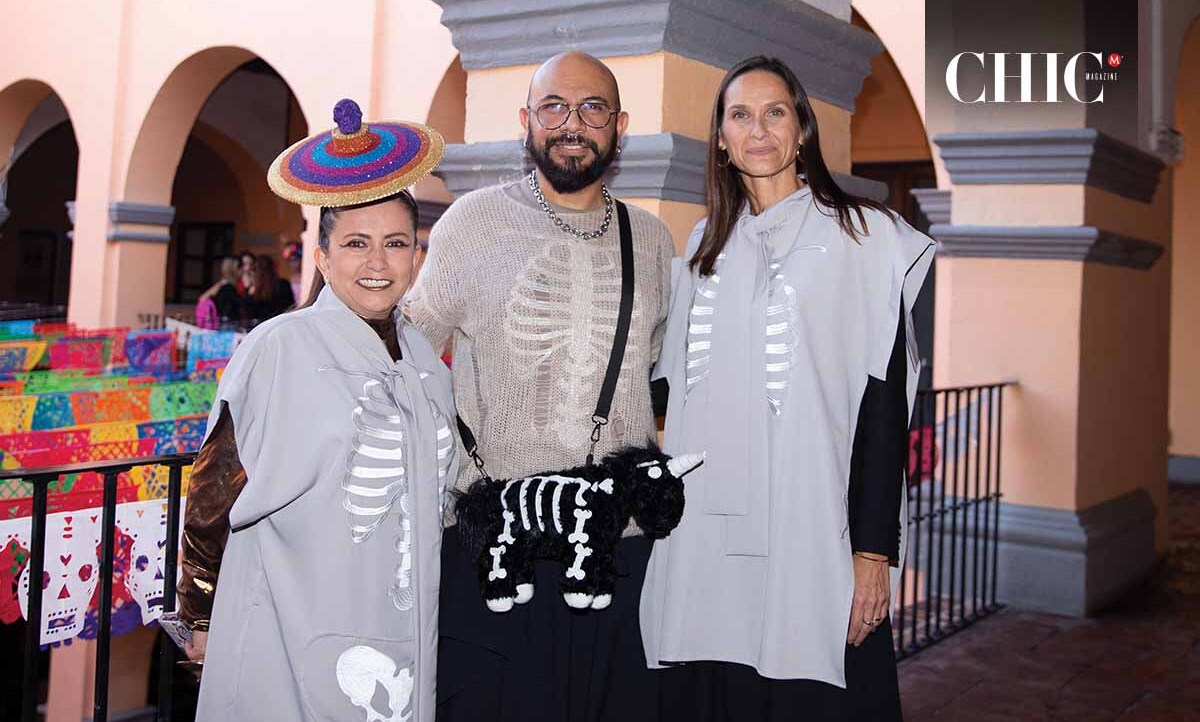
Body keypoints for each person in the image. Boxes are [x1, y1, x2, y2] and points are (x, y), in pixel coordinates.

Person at [640, 56, 936, 721]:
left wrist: (873, 553)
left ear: (801, 129)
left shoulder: (864, 238)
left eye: (776, 112)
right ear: (719, 137)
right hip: (706, 541)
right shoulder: (698, 253)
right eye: (739, 115)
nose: (758, 130)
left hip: (812, 535)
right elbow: (670, 395)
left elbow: (883, 411)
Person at [405, 50, 675, 721]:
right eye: (553, 106)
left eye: (592, 108)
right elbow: (403, 358)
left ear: (619, 126)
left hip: (619, 549)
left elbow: (662, 376)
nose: (571, 123)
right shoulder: (469, 225)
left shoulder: (653, 240)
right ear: (526, 121)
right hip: (495, 548)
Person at [177, 98, 454, 722]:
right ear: (323, 257)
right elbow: (214, 488)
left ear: (417, 256)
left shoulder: (423, 361)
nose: (378, 263)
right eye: (356, 243)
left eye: (396, 243)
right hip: (290, 615)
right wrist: (198, 616)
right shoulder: (279, 347)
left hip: (401, 623)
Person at [243, 253, 296, 322]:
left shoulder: (255, 290)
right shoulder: (283, 284)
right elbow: (290, 307)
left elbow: (248, 314)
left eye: (253, 270)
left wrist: (249, 292)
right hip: (279, 325)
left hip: (260, 328)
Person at [195, 256, 241, 328]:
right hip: (224, 327)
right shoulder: (228, 288)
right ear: (233, 269)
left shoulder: (220, 284)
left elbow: (201, 299)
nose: (242, 270)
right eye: (239, 267)